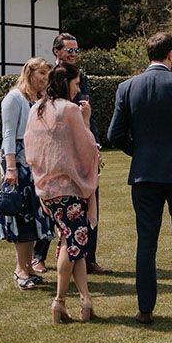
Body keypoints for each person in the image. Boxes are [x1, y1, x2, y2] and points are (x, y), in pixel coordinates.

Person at [108, 33, 172, 326]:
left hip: (144, 173)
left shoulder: (126, 87)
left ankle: (145, 309)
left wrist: (139, 152)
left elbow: (115, 134)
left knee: (146, 243)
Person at [25, 63, 100, 324]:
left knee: (71, 242)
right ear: (66, 82)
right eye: (76, 83)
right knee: (72, 243)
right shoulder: (69, 110)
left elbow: (31, 149)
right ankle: (58, 302)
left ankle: (85, 299)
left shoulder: (37, 109)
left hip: (47, 189)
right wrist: (87, 119)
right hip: (69, 188)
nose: (78, 89)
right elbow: (87, 145)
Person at [32, 32, 111, 275]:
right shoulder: (47, 75)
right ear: (57, 51)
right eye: (69, 50)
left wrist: (93, 144)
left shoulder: (81, 77)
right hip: (57, 152)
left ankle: (88, 258)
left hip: (82, 142)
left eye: (77, 50)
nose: (74, 54)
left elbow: (87, 110)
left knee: (90, 199)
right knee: (55, 206)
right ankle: (39, 256)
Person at [0, 57, 55, 291]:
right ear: (29, 73)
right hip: (17, 161)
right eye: (41, 74)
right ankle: (20, 269)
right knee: (21, 215)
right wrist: (10, 168)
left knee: (34, 214)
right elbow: (8, 135)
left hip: (33, 161)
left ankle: (29, 267)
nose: (45, 79)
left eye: (47, 75)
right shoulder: (14, 98)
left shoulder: (38, 99)